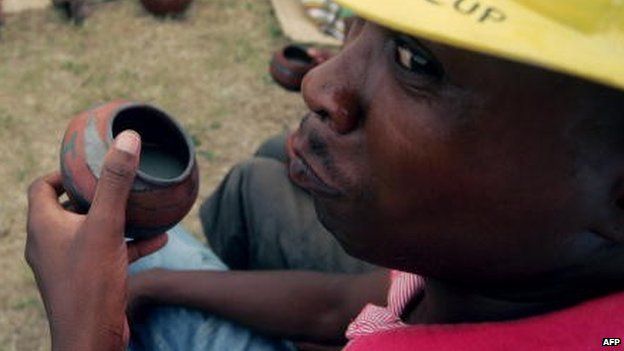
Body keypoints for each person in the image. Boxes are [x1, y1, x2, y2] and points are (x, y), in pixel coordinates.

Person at [25, 1, 624, 350]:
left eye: (417, 61)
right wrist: (150, 287)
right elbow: (345, 303)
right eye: (357, 22)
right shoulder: (484, 281)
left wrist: (85, 336)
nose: (317, 85)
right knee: (179, 241)